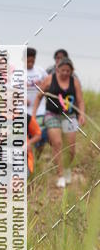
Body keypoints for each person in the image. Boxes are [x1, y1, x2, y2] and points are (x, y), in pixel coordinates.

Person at [32, 57, 85, 188]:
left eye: (68, 71)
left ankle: (67, 169)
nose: (65, 73)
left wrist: (81, 114)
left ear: (72, 71)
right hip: (52, 115)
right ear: (57, 69)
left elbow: (80, 100)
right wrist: (33, 114)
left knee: (71, 149)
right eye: (63, 70)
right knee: (57, 144)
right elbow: (39, 97)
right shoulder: (50, 79)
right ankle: (60, 174)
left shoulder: (75, 81)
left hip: (69, 115)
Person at [26, 47, 47, 151]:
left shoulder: (40, 71)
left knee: (40, 135)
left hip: (40, 110)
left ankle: (38, 156)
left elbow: (49, 85)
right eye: (28, 61)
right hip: (23, 111)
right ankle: (29, 158)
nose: (30, 63)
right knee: (27, 136)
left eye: (32, 61)